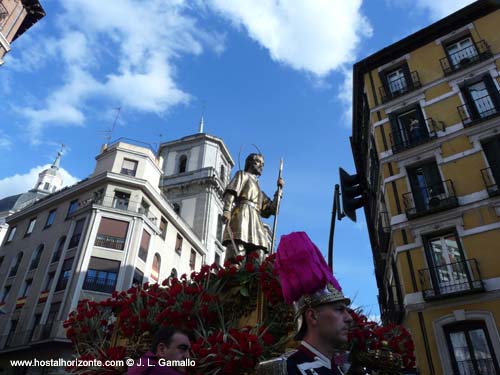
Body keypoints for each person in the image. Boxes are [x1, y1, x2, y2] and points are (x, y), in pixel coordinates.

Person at [257, 232, 354, 375]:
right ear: (312, 316)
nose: (349, 318)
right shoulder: (282, 370)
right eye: (339, 310)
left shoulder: (341, 369)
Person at [222, 153, 284, 261]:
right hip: (241, 215)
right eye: (258, 162)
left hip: (255, 220)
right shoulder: (242, 175)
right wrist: (227, 210)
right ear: (250, 162)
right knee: (237, 250)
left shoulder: (260, 192)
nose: (261, 166)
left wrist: (279, 192)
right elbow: (231, 192)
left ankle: (254, 276)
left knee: (259, 252)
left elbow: (272, 210)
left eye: (263, 164)